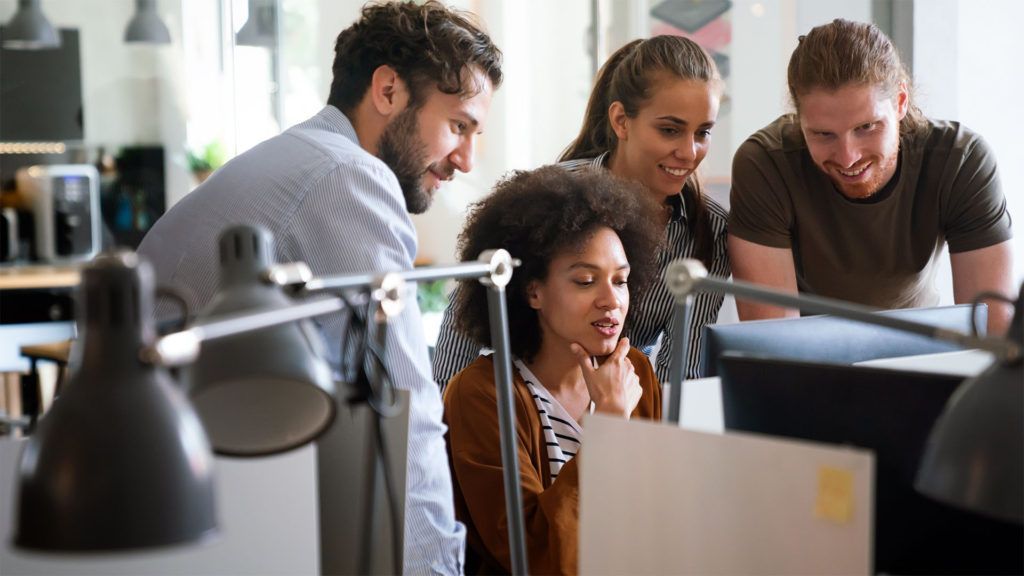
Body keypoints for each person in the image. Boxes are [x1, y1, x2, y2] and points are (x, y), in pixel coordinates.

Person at [136, 2, 502, 572]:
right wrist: (438, 568)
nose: (466, 159)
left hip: (160, 490)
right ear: (388, 90)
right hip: (178, 497)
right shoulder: (349, 175)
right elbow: (403, 405)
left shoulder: (295, 157)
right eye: (458, 125)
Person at [434, 35, 729, 387]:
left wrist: (638, 428)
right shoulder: (546, 196)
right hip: (525, 406)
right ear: (621, 120)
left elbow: (681, 373)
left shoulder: (709, 232)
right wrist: (444, 427)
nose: (689, 152)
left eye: (703, 132)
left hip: (624, 410)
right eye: (670, 130)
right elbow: (465, 323)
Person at [442, 166, 664, 575]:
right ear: (533, 291)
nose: (611, 301)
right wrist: (610, 425)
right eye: (585, 281)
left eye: (621, 281)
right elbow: (534, 555)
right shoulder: (481, 394)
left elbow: (655, 523)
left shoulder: (633, 372)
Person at [729, 19, 1015, 334]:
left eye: (866, 127)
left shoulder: (960, 161)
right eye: (824, 134)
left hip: (919, 356)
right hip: (806, 362)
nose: (848, 157)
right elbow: (774, 340)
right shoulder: (765, 165)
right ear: (800, 121)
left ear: (901, 102)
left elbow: (992, 336)